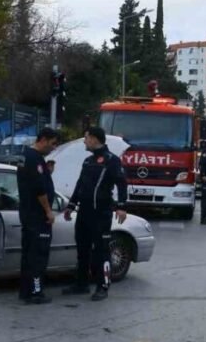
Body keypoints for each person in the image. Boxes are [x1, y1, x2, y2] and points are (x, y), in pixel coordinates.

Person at [62, 127, 128, 301]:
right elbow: (80, 184)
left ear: (93, 138)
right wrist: (71, 205)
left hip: (101, 212)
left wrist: (121, 206)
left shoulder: (111, 160)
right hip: (84, 211)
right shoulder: (87, 161)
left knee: (101, 250)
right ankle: (81, 284)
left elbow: (122, 183)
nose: (84, 141)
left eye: (86, 138)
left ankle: (102, 286)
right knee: (82, 249)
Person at [17, 127, 61, 304]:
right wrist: (48, 211)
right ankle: (36, 291)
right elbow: (38, 189)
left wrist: (46, 171)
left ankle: (26, 291)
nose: (53, 148)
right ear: (43, 139)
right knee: (38, 255)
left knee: (28, 254)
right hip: (37, 215)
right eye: (52, 143)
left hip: (28, 213)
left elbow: (33, 180)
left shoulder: (27, 156)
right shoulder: (34, 159)